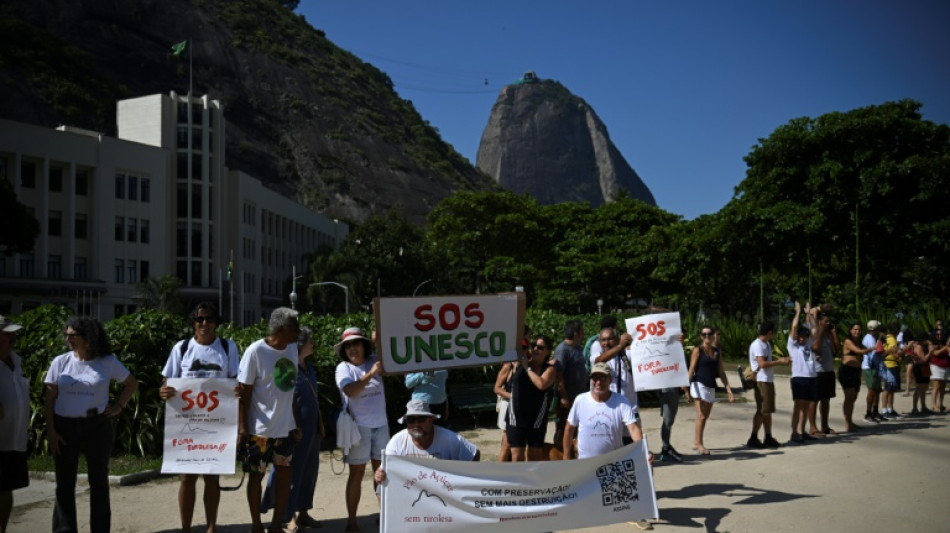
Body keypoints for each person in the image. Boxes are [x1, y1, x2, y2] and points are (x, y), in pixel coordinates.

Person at [44, 316, 139, 533]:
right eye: (66, 335)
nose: (68, 339)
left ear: (88, 337)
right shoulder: (60, 362)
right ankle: (64, 530)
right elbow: (49, 398)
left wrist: (119, 406)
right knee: (65, 484)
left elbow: (131, 383)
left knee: (99, 483)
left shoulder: (107, 361)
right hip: (64, 426)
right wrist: (51, 431)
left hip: (96, 426)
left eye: (73, 335)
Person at [160, 302, 239, 533]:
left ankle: (211, 527)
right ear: (193, 322)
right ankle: (186, 528)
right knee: (187, 479)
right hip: (186, 423)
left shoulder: (227, 347)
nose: (205, 324)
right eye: (200, 319)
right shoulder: (181, 348)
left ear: (217, 323)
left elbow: (236, 381)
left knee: (212, 479)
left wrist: (238, 392)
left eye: (210, 319)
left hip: (217, 423)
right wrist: (163, 391)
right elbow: (166, 382)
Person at [562, 362, 654, 530]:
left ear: (610, 380)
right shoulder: (580, 400)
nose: (598, 382)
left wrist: (643, 450)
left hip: (612, 464)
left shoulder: (621, 401)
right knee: (581, 507)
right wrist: (566, 456)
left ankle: (634, 514)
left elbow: (633, 427)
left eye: (602, 378)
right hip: (585, 465)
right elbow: (569, 429)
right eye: (595, 378)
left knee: (631, 483)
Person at [237, 307, 302, 533]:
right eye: (295, 327)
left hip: (285, 429)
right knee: (256, 476)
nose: (298, 332)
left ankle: (276, 524)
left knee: (284, 475)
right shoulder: (255, 351)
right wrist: (242, 428)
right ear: (282, 328)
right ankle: (256, 525)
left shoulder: (293, 348)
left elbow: (290, 388)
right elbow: (243, 392)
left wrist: (296, 423)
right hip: (259, 431)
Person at [261, 326, 325, 532]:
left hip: (312, 428)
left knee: (310, 471)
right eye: (310, 340)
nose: (313, 343)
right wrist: (295, 426)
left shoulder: (308, 367)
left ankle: (304, 512)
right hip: (294, 429)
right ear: (300, 344)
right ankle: (289, 516)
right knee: (293, 473)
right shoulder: (288, 367)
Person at [334, 326, 388, 533]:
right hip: (359, 429)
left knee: (382, 473)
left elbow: (392, 355)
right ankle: (352, 522)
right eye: (347, 345)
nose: (352, 348)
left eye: (356, 343)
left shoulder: (375, 359)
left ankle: (385, 515)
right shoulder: (343, 368)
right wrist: (371, 373)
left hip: (381, 425)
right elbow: (351, 390)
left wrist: (378, 339)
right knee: (356, 474)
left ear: (363, 345)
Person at [373, 399, 480, 486]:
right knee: (381, 489)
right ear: (406, 422)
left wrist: (460, 478)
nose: (416, 424)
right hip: (410, 487)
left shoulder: (450, 438)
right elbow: (384, 470)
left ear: (431, 420)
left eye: (421, 419)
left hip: (442, 487)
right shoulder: (397, 441)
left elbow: (474, 454)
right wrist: (379, 474)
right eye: (411, 420)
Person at [506, 334, 557, 461]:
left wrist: (527, 368)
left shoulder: (549, 370)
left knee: (534, 459)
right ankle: (517, 481)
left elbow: (541, 384)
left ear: (548, 351)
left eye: (540, 347)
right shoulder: (519, 365)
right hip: (515, 418)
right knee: (517, 457)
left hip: (536, 420)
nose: (535, 349)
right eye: (533, 346)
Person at [686, 325, 734, 454]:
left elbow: (721, 371)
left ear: (713, 335)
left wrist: (728, 388)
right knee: (701, 415)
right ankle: (700, 445)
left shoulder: (717, 351)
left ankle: (696, 441)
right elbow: (691, 369)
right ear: (701, 336)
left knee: (705, 416)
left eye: (709, 334)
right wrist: (686, 388)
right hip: (698, 384)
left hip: (710, 385)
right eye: (704, 334)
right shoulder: (698, 350)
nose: (707, 336)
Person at [0, 316, 28, 533]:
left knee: (6, 490)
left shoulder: (16, 361)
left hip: (13, 440)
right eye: (7, 333)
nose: (13, 337)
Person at [747, 321, 789, 449]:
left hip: (767, 379)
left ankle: (768, 436)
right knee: (762, 410)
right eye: (773, 332)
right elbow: (762, 364)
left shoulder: (766, 344)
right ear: (769, 332)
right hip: (761, 380)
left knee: (767, 410)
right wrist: (779, 362)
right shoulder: (758, 345)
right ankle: (753, 437)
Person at [786, 303, 818, 444]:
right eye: (800, 336)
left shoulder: (808, 345)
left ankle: (802, 431)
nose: (802, 338)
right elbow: (793, 327)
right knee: (798, 405)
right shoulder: (793, 346)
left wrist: (809, 314)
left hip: (811, 377)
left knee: (806, 406)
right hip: (799, 378)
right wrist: (798, 312)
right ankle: (794, 432)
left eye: (804, 336)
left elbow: (815, 329)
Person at [553, 320, 587, 446]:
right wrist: (564, 397)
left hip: (579, 398)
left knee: (577, 429)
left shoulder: (578, 348)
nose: (583, 333)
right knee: (564, 428)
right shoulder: (562, 350)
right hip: (568, 399)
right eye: (581, 331)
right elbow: (558, 375)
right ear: (575, 333)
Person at [808, 308, 839, 434]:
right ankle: (813, 427)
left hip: (828, 371)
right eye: (826, 321)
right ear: (819, 322)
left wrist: (834, 333)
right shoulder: (816, 332)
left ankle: (825, 426)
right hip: (818, 371)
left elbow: (837, 349)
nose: (828, 323)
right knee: (814, 400)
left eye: (829, 322)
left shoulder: (828, 335)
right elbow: (815, 346)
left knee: (826, 399)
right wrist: (821, 330)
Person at [839, 323, 871, 432]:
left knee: (853, 398)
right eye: (855, 329)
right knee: (849, 397)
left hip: (856, 371)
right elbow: (858, 351)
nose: (857, 331)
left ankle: (850, 422)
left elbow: (866, 350)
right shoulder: (848, 341)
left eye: (859, 330)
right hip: (846, 370)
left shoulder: (859, 342)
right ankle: (848, 424)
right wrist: (874, 348)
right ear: (850, 330)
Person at [880, 322, 905, 419]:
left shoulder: (886, 338)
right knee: (888, 388)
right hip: (890, 364)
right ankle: (885, 410)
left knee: (891, 388)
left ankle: (889, 409)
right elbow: (895, 354)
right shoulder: (892, 340)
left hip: (889, 364)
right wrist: (903, 352)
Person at [862, 321, 885, 422]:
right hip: (870, 367)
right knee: (872, 390)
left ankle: (875, 411)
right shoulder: (870, 339)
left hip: (873, 367)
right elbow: (874, 354)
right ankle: (868, 413)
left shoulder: (870, 338)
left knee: (876, 390)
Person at [492, 359, 515, 462]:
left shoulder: (529, 366)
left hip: (523, 408)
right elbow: (497, 388)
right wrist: (513, 396)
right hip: (508, 406)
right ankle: (499, 471)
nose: (523, 350)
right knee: (507, 444)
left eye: (525, 348)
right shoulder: (508, 366)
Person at [928, 325, 949, 413]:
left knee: (943, 387)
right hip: (936, 365)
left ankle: (940, 404)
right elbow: (935, 353)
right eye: (937, 334)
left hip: (946, 365)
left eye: (940, 334)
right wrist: (946, 347)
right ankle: (933, 405)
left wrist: (946, 346)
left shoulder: (944, 343)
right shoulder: (931, 343)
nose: (939, 336)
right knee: (936, 386)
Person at [910, 336, 932, 415]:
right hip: (919, 367)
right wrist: (930, 351)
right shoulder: (918, 347)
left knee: (924, 388)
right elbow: (924, 359)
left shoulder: (920, 346)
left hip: (924, 367)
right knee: (919, 388)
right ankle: (915, 408)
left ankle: (923, 406)